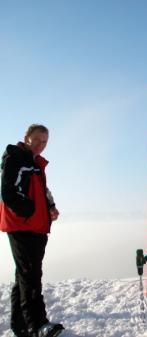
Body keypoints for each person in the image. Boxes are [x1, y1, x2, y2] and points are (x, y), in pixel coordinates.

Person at [0, 124, 64, 337]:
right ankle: (37, 326)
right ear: (26, 137)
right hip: (23, 226)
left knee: (24, 276)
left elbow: (41, 190)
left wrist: (50, 207)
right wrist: (29, 211)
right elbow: (8, 192)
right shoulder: (16, 158)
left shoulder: (35, 164)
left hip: (36, 226)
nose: (40, 145)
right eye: (37, 140)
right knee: (31, 277)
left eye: (45, 141)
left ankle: (20, 326)